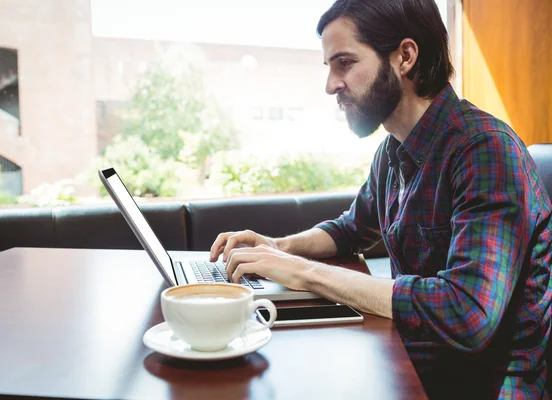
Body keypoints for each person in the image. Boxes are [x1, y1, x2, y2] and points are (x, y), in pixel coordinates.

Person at [209, 0, 552, 398]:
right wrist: (278, 247)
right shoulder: (391, 152)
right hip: (418, 362)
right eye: (329, 67)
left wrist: (302, 272)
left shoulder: (486, 150)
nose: (331, 85)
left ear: (405, 57)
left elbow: (468, 314)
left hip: (483, 385)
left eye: (345, 63)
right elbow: (351, 229)